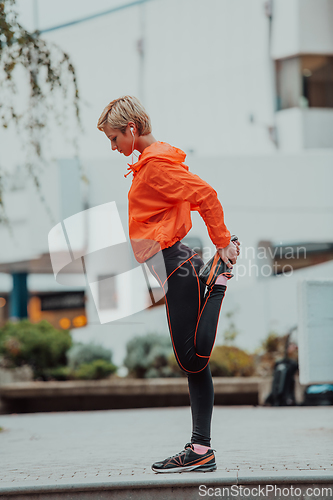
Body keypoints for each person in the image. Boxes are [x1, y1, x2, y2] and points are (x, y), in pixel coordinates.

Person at [97, 96, 240, 473]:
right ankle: (200, 450)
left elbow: (206, 195)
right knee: (196, 366)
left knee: (191, 358)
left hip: (177, 265)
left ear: (131, 129)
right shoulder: (151, 165)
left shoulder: (157, 167)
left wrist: (223, 243)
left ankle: (220, 278)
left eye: (114, 138)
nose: (113, 148)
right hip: (176, 265)